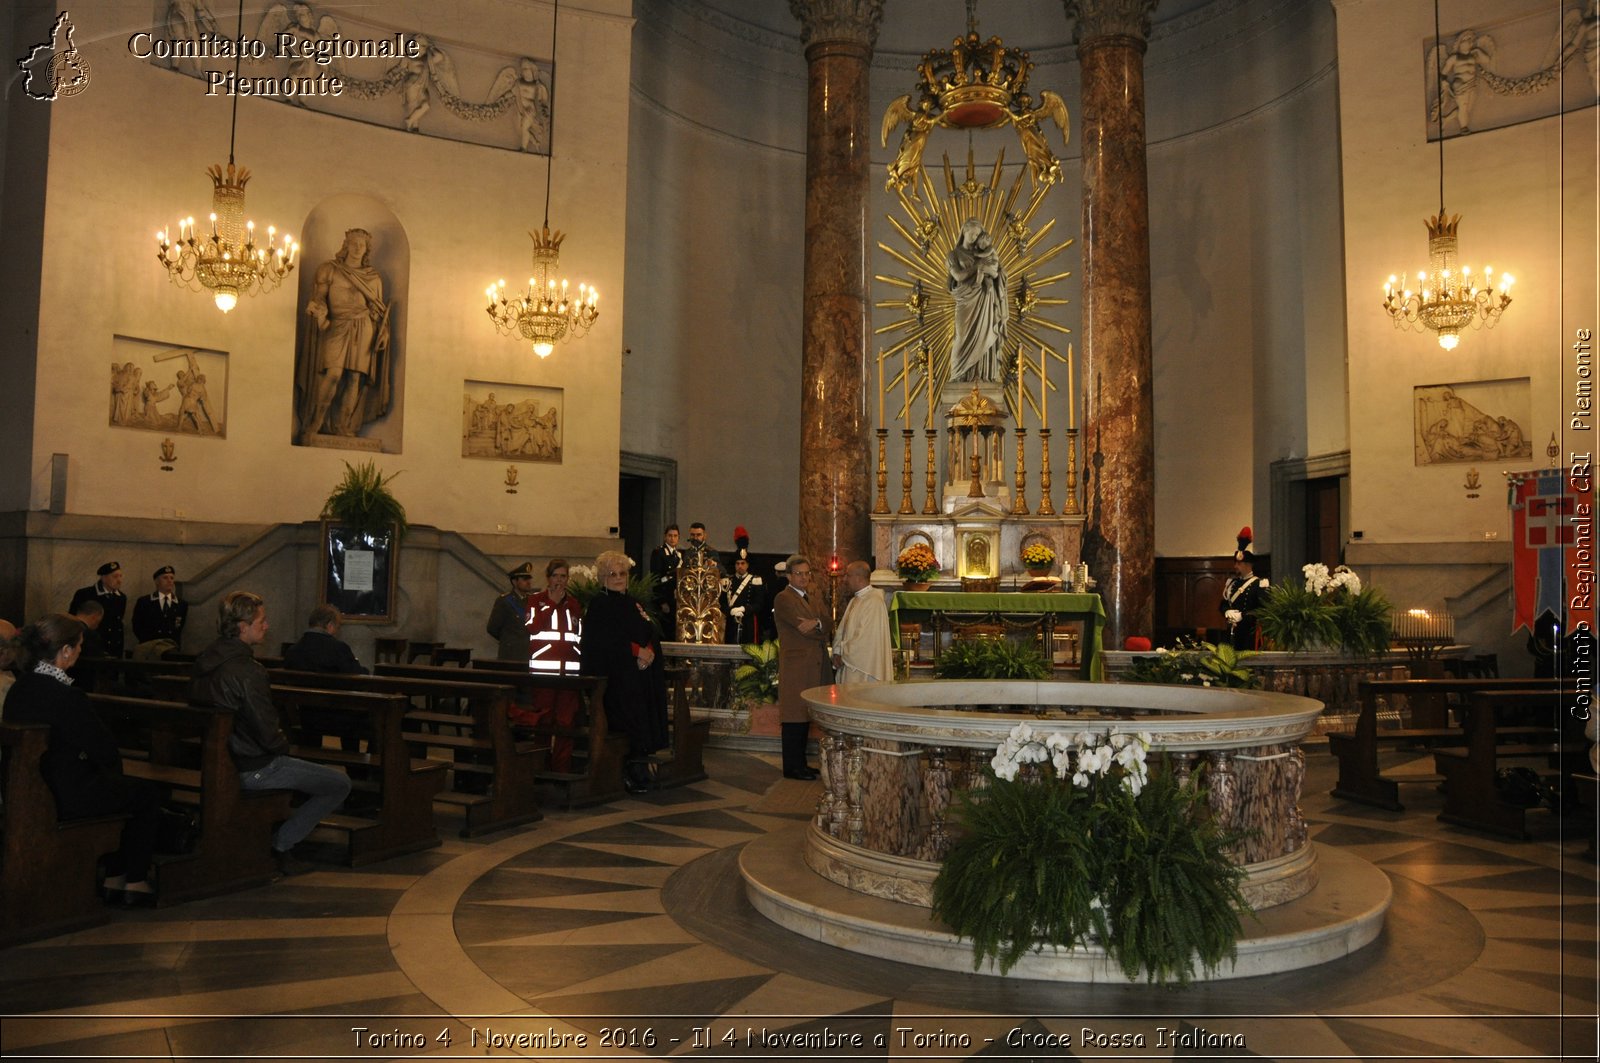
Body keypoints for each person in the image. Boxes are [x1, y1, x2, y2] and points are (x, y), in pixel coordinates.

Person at [4, 614, 164, 903]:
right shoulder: (67, 696)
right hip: (64, 794)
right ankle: (134, 881)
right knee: (146, 794)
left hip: (25, 790)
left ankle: (116, 875)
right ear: (64, 651)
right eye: (78, 646)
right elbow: (104, 751)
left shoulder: (19, 688)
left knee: (119, 787)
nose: (80, 651)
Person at [190, 591, 352, 875]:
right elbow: (267, 733)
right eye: (261, 621)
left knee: (308, 772)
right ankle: (282, 843)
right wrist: (285, 749)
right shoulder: (248, 671)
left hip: (215, 761)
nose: (266, 626)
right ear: (242, 627)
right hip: (254, 767)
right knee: (339, 783)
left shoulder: (205, 661)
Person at [578, 551, 668, 793]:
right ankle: (631, 768)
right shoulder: (600, 605)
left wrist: (648, 650)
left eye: (622, 573)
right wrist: (636, 652)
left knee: (646, 709)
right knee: (630, 712)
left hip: (639, 674)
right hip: (616, 680)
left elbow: (648, 629)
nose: (618, 578)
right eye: (612, 574)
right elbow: (602, 642)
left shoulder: (631, 602)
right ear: (603, 578)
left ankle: (641, 763)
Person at [297, 228, 392, 444]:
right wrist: (318, 309)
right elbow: (319, 297)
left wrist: (384, 331)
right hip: (337, 326)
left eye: (362, 245)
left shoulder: (373, 278)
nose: (358, 248)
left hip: (364, 326)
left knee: (354, 379)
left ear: (367, 250)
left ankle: (343, 427)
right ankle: (315, 423)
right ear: (346, 245)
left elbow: (378, 310)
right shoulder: (329, 269)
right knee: (333, 374)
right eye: (354, 243)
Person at [773, 554, 830, 780]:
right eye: (799, 574)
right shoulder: (783, 598)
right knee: (793, 716)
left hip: (813, 664)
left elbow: (827, 622)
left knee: (805, 717)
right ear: (789, 576)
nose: (804, 578)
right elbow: (802, 628)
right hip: (797, 665)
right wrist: (820, 625)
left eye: (807, 573)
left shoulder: (812, 597)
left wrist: (817, 623)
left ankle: (802, 764)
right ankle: (792, 767)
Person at [524, 559, 582, 772]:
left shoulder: (574, 603)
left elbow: (578, 635)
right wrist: (551, 603)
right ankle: (539, 768)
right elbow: (533, 628)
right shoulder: (535, 600)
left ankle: (561, 769)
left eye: (563, 576)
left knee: (566, 724)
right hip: (543, 672)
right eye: (555, 575)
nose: (559, 580)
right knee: (544, 722)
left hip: (569, 673)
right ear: (548, 578)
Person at [947, 218, 1008, 384]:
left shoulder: (984, 252)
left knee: (986, 334)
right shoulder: (954, 254)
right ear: (964, 231)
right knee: (961, 337)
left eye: (977, 234)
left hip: (985, 300)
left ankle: (983, 376)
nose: (974, 237)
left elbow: (997, 274)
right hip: (965, 300)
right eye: (971, 233)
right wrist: (978, 266)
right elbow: (958, 276)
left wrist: (992, 272)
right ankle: (958, 374)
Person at [831, 561, 893, 684]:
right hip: (849, 663)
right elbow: (842, 631)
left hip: (863, 669)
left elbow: (865, 639)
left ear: (858, 577)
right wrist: (837, 652)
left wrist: (844, 654)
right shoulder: (855, 600)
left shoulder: (874, 602)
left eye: (848, 575)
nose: (845, 579)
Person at [284, 604, 367, 675]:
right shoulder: (339, 649)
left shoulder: (292, 651)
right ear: (330, 625)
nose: (337, 632)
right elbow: (356, 674)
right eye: (337, 627)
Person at [1221, 527, 1269, 650]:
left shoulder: (1259, 584)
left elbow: (1263, 610)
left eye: (1238, 563)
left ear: (1248, 565)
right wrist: (1227, 611)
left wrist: (1243, 615)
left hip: (1249, 635)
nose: (1235, 566)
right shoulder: (1231, 583)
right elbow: (1223, 604)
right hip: (1231, 633)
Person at [69, 561, 127, 660]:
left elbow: (117, 622)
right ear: (104, 578)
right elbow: (74, 619)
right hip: (92, 645)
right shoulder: (85, 594)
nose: (119, 580)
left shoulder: (121, 597)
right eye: (115, 576)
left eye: (121, 576)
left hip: (114, 645)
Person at [130, 565, 188, 660]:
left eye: (172, 578)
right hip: (148, 648)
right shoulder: (145, 602)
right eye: (165, 578)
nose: (169, 581)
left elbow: (179, 627)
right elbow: (137, 625)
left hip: (170, 648)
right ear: (157, 581)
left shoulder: (181, 604)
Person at [486, 562, 538, 662]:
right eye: (524, 579)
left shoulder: (532, 601)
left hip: (528, 654)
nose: (528, 582)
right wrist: (509, 640)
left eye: (529, 579)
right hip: (510, 655)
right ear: (514, 582)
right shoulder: (505, 601)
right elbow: (492, 628)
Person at [722, 555, 765, 644]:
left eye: (742, 563)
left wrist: (744, 609)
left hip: (749, 621)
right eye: (737, 564)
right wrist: (730, 611)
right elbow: (721, 603)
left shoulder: (755, 580)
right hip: (731, 621)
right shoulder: (727, 581)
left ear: (747, 565)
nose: (740, 566)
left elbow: (759, 603)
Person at [648, 525, 683, 630]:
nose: (672, 539)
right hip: (664, 598)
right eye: (670, 536)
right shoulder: (658, 553)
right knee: (665, 629)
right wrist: (661, 601)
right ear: (665, 537)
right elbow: (656, 579)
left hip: (675, 598)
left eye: (675, 536)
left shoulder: (679, 555)